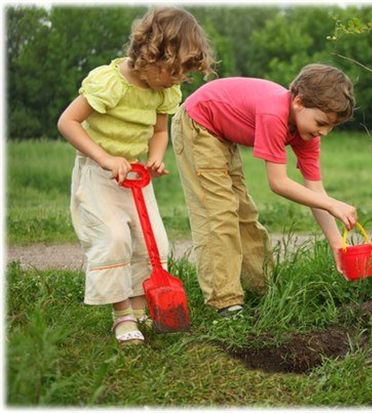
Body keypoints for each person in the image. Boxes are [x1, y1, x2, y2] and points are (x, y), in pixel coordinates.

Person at [57, 7, 214, 346]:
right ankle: (122, 314)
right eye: (172, 71)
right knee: (114, 238)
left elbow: (159, 131)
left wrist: (156, 157)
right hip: (99, 173)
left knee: (153, 243)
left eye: (182, 75)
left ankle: (142, 308)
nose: (176, 80)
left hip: (135, 175)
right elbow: (67, 122)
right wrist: (104, 158)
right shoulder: (110, 83)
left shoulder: (163, 91)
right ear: (148, 54)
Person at [171, 63, 358, 317]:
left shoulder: (307, 134)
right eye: (322, 123)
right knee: (220, 213)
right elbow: (278, 183)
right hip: (198, 125)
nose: (324, 132)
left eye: (331, 127)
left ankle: (262, 288)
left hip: (222, 136)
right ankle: (225, 301)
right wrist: (332, 204)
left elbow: (316, 192)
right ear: (299, 102)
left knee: (244, 213)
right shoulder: (274, 114)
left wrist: (338, 245)